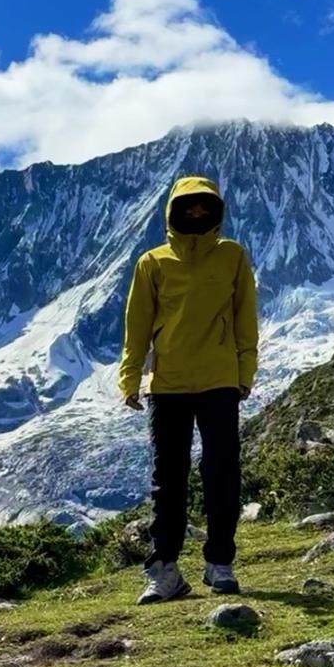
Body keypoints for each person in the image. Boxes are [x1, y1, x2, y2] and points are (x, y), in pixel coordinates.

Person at [118, 174, 259, 605]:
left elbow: (244, 318)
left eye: (204, 206)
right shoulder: (152, 263)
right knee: (168, 479)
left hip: (219, 379)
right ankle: (165, 570)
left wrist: (244, 373)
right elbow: (137, 325)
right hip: (169, 384)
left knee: (222, 471)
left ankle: (220, 563)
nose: (196, 213)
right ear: (173, 212)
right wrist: (130, 376)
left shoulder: (233, 256)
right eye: (188, 207)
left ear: (216, 210)